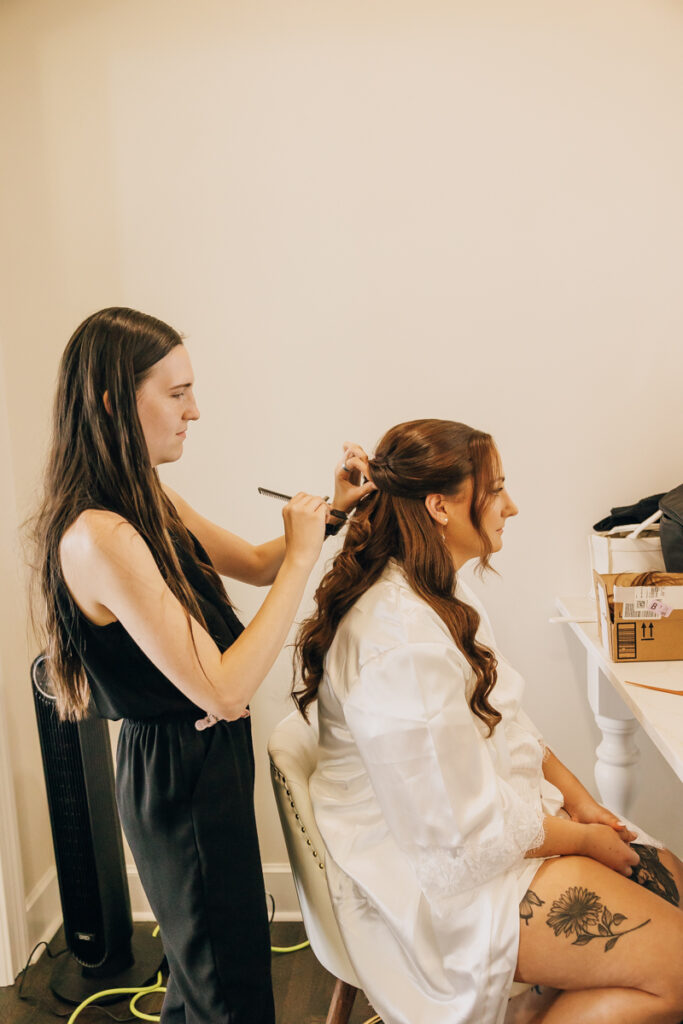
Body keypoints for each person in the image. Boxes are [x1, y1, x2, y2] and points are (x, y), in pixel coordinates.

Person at [30, 306, 373, 1024]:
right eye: (177, 393)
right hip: (177, 775)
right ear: (112, 401)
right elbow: (222, 684)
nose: (196, 411)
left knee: (209, 979)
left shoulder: (145, 500)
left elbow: (250, 564)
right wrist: (306, 557)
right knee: (227, 993)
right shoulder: (99, 536)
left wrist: (329, 517)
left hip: (203, 761)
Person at [293, 418, 683, 1024]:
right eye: (496, 490)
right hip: (439, 882)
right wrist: (581, 841)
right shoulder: (399, 646)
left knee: (674, 892)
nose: (513, 506)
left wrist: (579, 800)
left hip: (483, 828)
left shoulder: (441, 592)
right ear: (440, 506)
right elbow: (459, 835)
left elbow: (508, 717)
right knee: (678, 972)